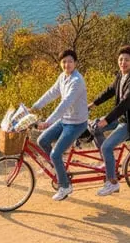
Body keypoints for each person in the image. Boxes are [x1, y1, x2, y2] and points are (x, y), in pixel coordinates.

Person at [31, 48, 89, 201]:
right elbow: (52, 93)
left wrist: (47, 122)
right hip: (65, 120)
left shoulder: (77, 81)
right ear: (60, 64)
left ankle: (65, 186)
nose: (67, 64)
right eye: (64, 61)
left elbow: (64, 104)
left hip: (76, 123)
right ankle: (59, 169)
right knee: (42, 141)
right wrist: (35, 107)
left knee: (55, 154)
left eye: (70, 61)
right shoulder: (63, 77)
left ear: (75, 63)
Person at [89, 45, 130, 197]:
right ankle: (109, 163)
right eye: (121, 59)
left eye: (127, 60)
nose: (123, 62)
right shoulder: (121, 75)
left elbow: (125, 103)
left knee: (107, 147)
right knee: (94, 128)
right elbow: (109, 90)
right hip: (121, 118)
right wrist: (94, 104)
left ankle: (112, 183)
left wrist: (107, 120)